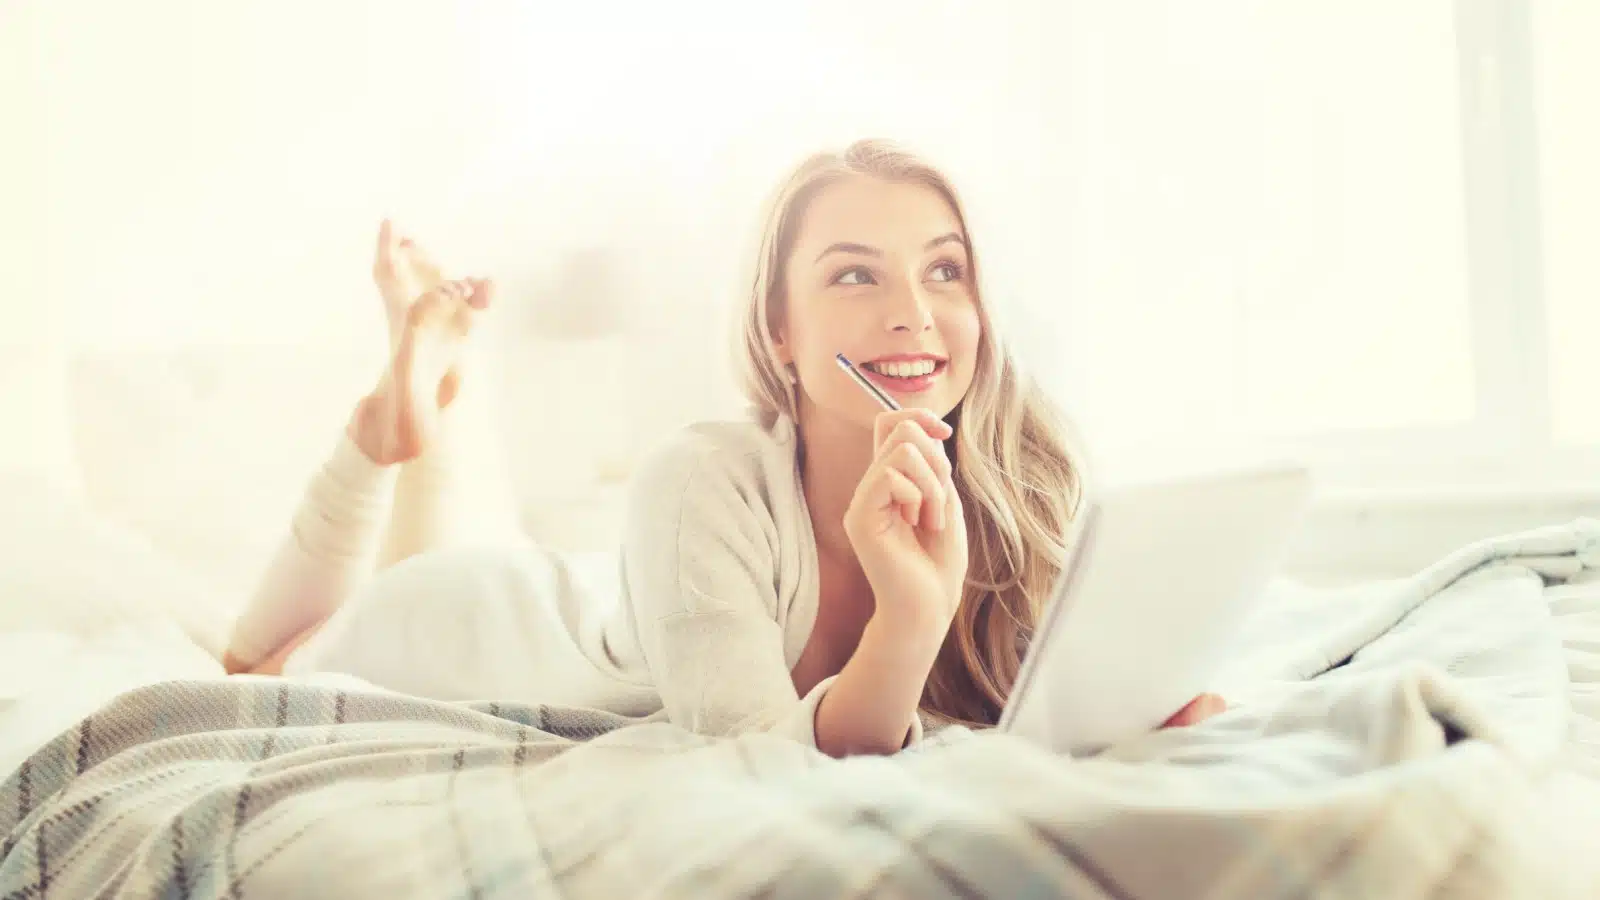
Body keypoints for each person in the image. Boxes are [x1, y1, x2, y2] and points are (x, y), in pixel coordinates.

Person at [220, 139, 1225, 757]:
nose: (914, 314)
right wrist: (910, 619)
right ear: (778, 330)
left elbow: (1037, 706)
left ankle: (425, 404)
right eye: (854, 276)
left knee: (444, 519)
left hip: (589, 600)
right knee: (246, 668)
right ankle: (380, 434)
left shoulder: (1013, 483)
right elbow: (757, 760)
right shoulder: (699, 479)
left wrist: (1136, 701)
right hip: (476, 626)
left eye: (944, 271)